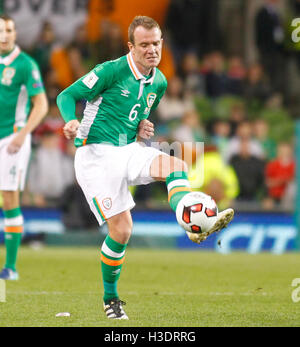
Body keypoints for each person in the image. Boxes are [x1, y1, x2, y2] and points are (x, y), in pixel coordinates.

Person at [57, 15, 234, 320]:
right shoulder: (110, 71)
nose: (152, 49)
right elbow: (66, 95)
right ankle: (110, 300)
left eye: (156, 43)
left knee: (176, 164)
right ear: (131, 46)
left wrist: (142, 128)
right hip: (95, 155)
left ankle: (187, 219)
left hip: (128, 150)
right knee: (122, 231)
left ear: (162, 43)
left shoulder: (160, 81)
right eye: (144, 44)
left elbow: (137, 115)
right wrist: (70, 121)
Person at [0, 15, 48, 280]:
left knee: (9, 198)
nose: (4, 35)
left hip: (13, 139)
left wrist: (24, 134)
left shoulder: (25, 64)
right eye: (0, 31)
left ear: (15, 33)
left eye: (8, 30)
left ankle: (11, 267)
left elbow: (40, 104)